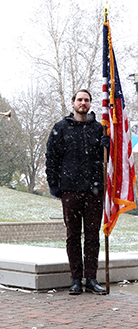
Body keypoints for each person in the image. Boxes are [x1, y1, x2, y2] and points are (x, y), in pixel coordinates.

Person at [45, 89, 110, 295]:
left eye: (87, 100)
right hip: (70, 190)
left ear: (90, 104)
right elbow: (52, 158)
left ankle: (91, 278)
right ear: (73, 103)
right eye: (80, 100)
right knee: (73, 236)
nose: (83, 103)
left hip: (94, 191)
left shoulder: (99, 129)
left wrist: (107, 146)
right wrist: (54, 185)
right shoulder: (61, 128)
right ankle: (75, 279)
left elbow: (106, 160)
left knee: (93, 236)